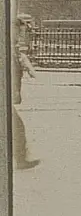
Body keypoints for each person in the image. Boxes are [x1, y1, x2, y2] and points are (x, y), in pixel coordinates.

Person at [12, 14, 40, 171]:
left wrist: (26, 64)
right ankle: (20, 159)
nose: (20, 36)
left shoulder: (14, 49)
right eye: (18, 31)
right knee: (17, 127)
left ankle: (20, 158)